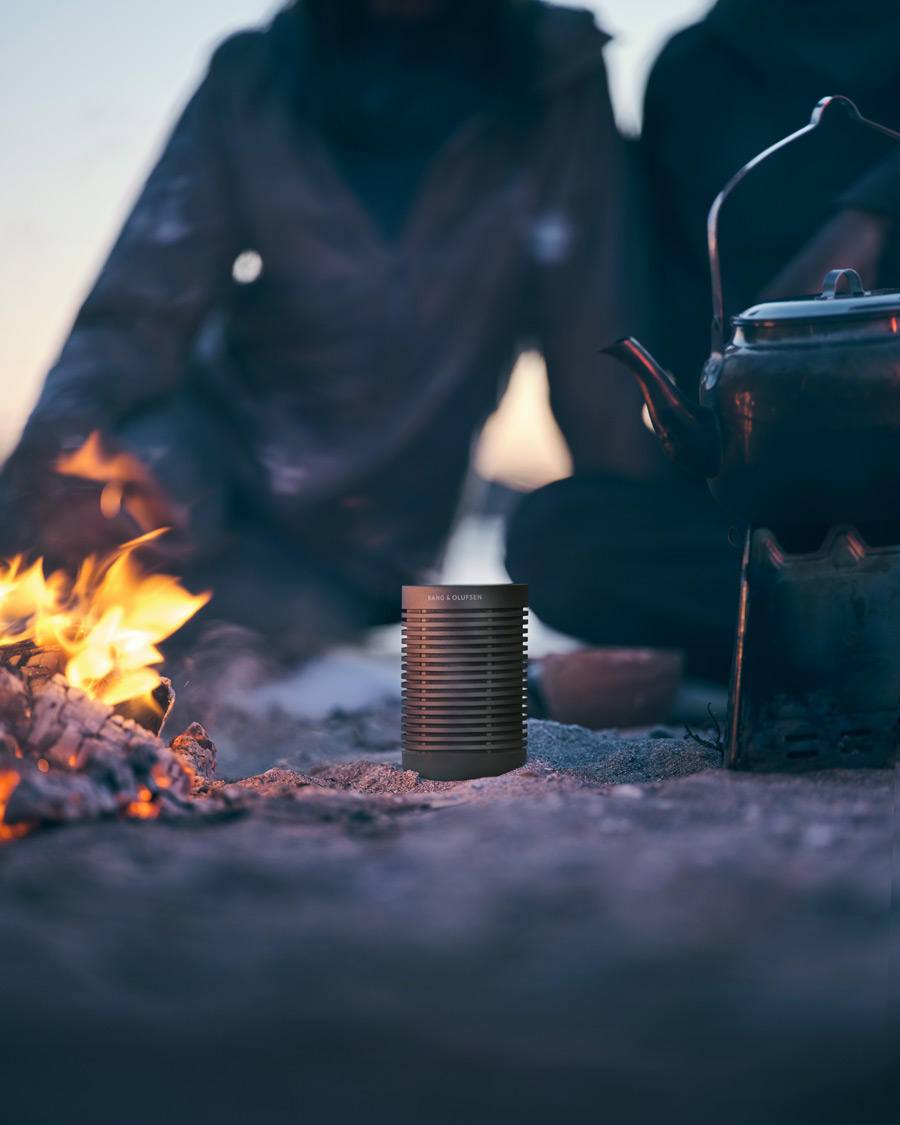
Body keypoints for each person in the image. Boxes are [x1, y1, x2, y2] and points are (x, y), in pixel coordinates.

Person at [0, 0, 654, 662]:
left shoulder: (555, 76)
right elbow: (137, 307)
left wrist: (634, 571)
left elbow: (597, 340)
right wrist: (54, 458)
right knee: (51, 527)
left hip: (360, 536)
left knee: (237, 634)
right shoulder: (253, 76)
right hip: (202, 456)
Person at [507, 0, 900, 685]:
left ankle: (817, 642)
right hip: (764, 503)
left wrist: (870, 214)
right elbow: (673, 295)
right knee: (559, 539)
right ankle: (849, 637)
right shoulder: (696, 68)